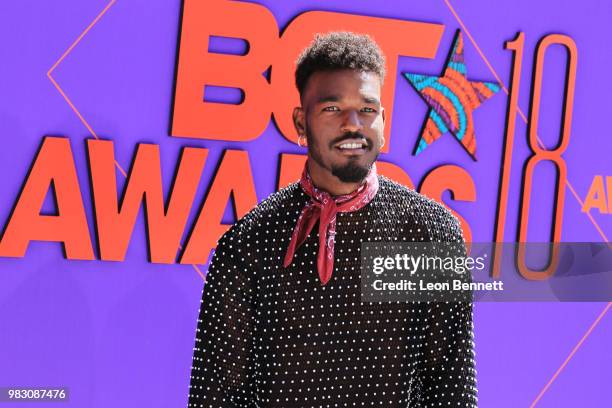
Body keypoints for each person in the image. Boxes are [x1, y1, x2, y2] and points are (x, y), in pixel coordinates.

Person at [188, 31, 477, 407]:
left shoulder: (430, 233)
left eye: (367, 109)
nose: (352, 124)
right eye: (332, 109)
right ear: (300, 123)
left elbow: (451, 388)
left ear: (384, 123)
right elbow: (217, 396)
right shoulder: (249, 242)